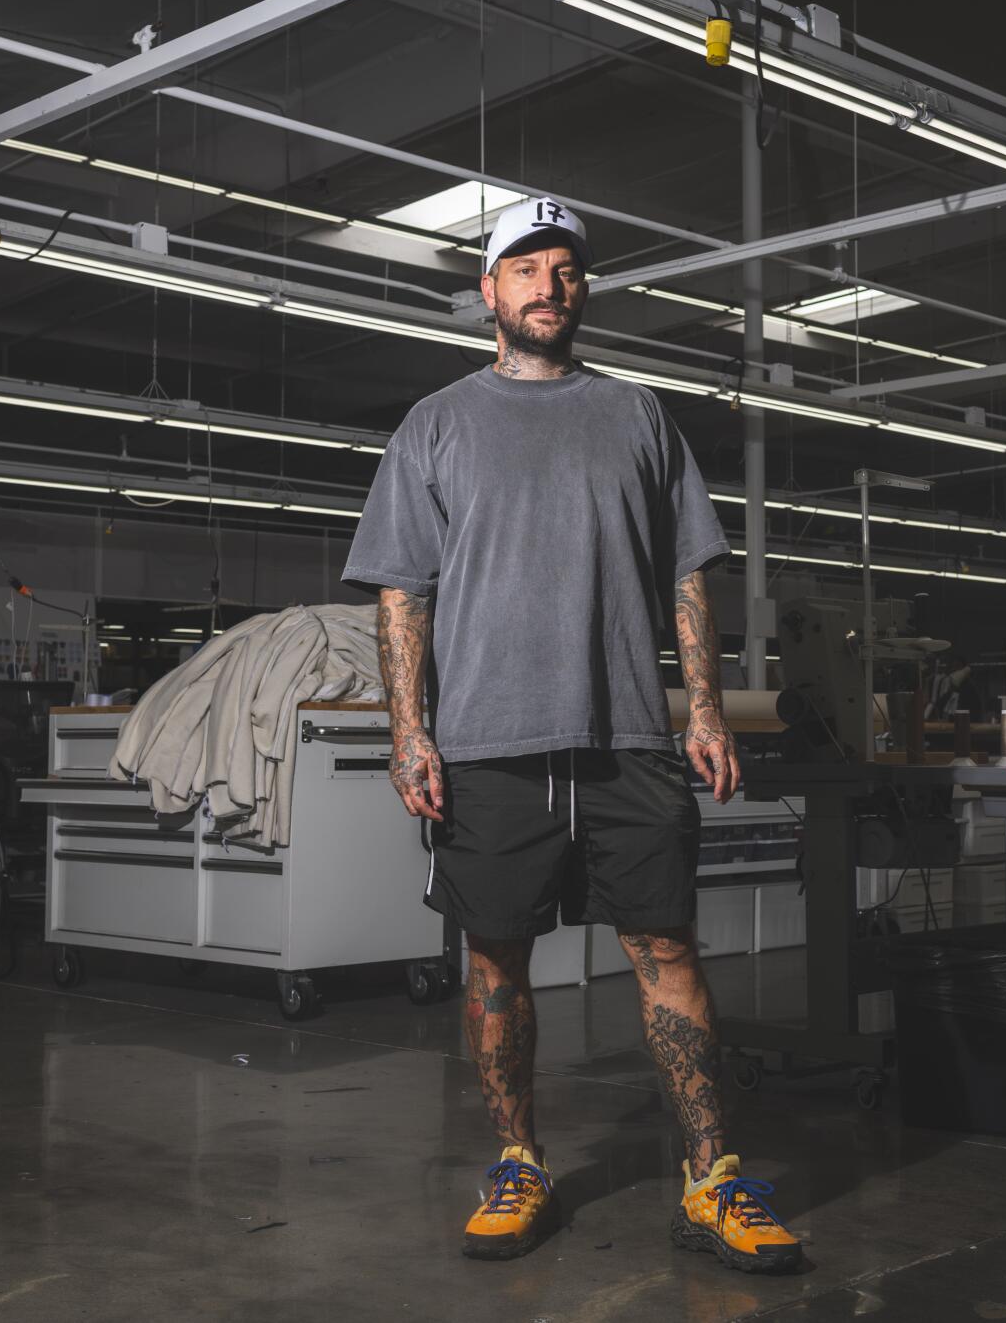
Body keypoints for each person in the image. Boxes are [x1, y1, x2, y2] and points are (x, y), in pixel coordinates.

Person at [341, 197, 801, 1274]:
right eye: (526, 268)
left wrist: (701, 704)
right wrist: (409, 731)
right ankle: (516, 1161)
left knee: (666, 948)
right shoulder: (435, 424)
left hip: (626, 739)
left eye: (567, 269)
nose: (550, 283)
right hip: (489, 741)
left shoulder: (638, 416)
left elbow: (686, 571)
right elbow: (400, 594)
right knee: (496, 957)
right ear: (487, 293)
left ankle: (711, 1175)